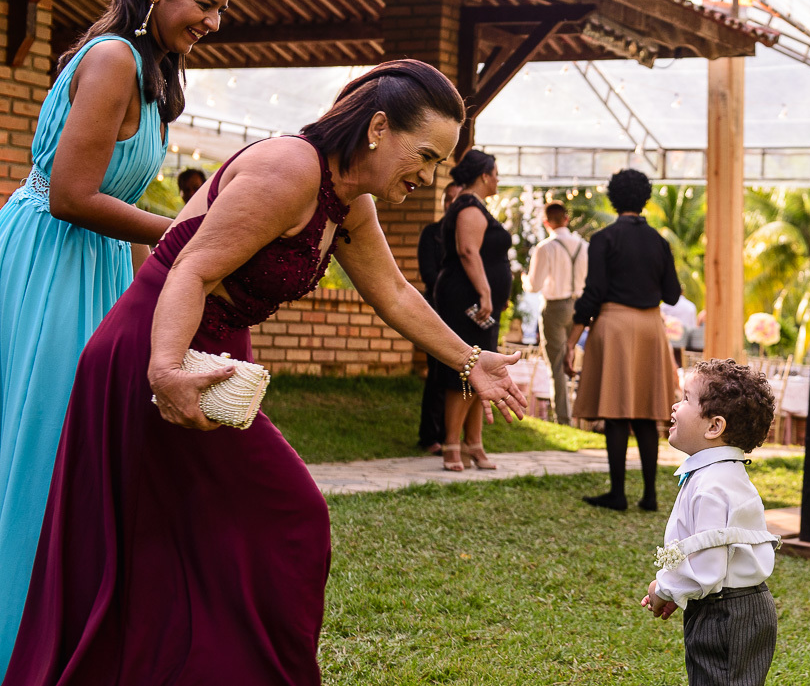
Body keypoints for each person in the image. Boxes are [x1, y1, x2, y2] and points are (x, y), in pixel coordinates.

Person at [2, 60, 527, 686]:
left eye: (441, 162)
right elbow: (189, 270)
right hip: (158, 354)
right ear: (379, 128)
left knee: (195, 540)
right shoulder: (290, 170)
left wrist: (471, 361)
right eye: (427, 154)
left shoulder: (349, 202)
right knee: (287, 518)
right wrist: (165, 372)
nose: (430, 174)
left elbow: (393, 293)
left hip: (215, 359)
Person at [0, 0, 236, 678]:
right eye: (205, 3)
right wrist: (188, 232)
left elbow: (118, 197)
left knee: (84, 449)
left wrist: (159, 289)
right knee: (41, 442)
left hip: (97, 267)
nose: (214, 22)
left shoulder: (154, 72)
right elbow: (72, 195)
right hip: (48, 261)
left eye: (223, 9)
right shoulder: (110, 59)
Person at [643, 359, 780, 686]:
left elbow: (706, 567)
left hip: (726, 612)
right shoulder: (714, 474)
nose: (675, 405)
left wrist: (665, 589)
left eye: (686, 398)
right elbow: (687, 541)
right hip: (732, 605)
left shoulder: (712, 487)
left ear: (714, 427)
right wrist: (669, 581)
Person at [566, 169, 682, 512]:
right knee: (646, 412)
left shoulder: (604, 239)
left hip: (613, 326)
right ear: (645, 198)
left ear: (613, 199)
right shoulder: (659, 241)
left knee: (616, 411)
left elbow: (593, 294)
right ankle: (649, 496)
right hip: (650, 328)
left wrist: (572, 340)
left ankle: (617, 493)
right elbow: (673, 295)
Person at [433, 149, 513, 471]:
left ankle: (475, 443)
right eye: (495, 173)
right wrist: (485, 292)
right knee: (464, 371)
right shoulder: (467, 206)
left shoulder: (475, 205)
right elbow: (468, 251)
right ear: (484, 175)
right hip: (467, 299)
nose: (498, 179)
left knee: (483, 369)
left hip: (479, 302)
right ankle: (452, 445)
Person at [525, 200, 588, 423]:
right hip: (581, 308)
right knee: (583, 361)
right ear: (566, 219)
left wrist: (524, 279)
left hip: (555, 308)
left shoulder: (545, 247)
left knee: (557, 364)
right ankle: (585, 418)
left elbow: (534, 286)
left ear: (546, 222)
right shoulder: (584, 246)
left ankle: (563, 417)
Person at [416, 181, 462, 453]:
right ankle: (430, 436)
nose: (452, 204)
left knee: (458, 376)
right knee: (436, 374)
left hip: (462, 315)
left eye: (458, 199)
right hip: (437, 310)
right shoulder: (431, 233)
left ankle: (452, 434)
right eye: (449, 199)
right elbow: (429, 274)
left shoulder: (467, 236)